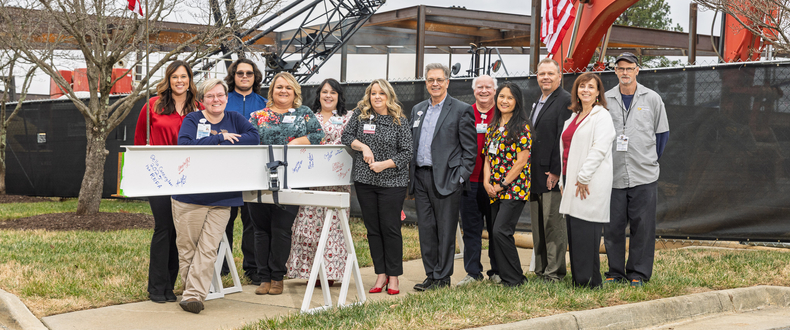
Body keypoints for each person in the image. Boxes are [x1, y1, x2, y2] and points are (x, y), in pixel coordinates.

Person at [172, 78, 260, 313]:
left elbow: (254, 138)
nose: (216, 100)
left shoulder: (235, 119)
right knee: (188, 248)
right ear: (202, 100)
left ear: (226, 98)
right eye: (210, 96)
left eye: (220, 95)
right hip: (190, 196)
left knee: (209, 249)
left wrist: (222, 142)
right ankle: (191, 290)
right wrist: (220, 138)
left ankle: (193, 296)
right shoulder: (193, 119)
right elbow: (186, 145)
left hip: (224, 196)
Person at [248, 72, 324, 295]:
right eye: (279, 87)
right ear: (271, 91)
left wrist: (297, 141)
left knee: (281, 229)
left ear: (295, 92)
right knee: (260, 230)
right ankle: (263, 277)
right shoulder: (258, 115)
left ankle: (277, 276)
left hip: (294, 180)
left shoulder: (304, 114)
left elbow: (319, 135)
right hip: (260, 180)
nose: (283, 91)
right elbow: (250, 140)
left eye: (288, 88)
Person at [133, 60, 202, 303]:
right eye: (175, 77)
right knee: (164, 227)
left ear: (190, 80)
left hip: (188, 177)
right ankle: (156, 287)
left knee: (180, 232)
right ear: (168, 80)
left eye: (184, 76)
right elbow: (140, 140)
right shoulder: (152, 106)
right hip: (160, 176)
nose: (180, 81)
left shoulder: (199, 109)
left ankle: (171, 287)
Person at [603, 52, 669, 287]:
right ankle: (615, 272)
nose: (625, 72)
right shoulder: (606, 99)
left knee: (643, 227)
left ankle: (638, 274)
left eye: (629, 68)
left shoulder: (652, 99)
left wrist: (647, 159)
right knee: (613, 227)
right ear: (615, 71)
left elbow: (662, 135)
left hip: (644, 174)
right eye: (620, 68)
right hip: (613, 174)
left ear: (637, 70)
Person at [410, 63, 477, 291]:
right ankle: (431, 275)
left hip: (448, 179)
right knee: (426, 230)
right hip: (420, 178)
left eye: (439, 79)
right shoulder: (418, 109)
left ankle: (442, 278)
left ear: (447, 82)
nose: (435, 84)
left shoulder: (461, 109)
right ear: (426, 82)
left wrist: (459, 178)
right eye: (430, 80)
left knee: (446, 230)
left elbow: (470, 150)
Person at [342, 79, 412, 295]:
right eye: (373, 93)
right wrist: (363, 147)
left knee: (390, 229)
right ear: (369, 96)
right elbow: (346, 136)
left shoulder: (399, 120)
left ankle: (394, 277)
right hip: (365, 182)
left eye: (382, 93)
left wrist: (385, 165)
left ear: (389, 96)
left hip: (393, 182)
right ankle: (380, 274)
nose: (377, 97)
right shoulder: (360, 115)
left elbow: (407, 152)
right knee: (373, 229)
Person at [287, 78, 353, 286]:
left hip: (336, 180)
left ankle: (331, 272)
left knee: (334, 226)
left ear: (339, 96)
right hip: (311, 179)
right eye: (324, 92)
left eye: (333, 92)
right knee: (308, 225)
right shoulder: (309, 117)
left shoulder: (348, 117)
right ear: (319, 95)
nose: (328, 96)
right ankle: (309, 272)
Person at [559, 72, 616, 289]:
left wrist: (583, 177)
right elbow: (565, 151)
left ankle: (589, 282)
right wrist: (563, 182)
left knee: (586, 234)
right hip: (571, 181)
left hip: (587, 183)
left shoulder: (601, 116)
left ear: (598, 92)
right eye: (582, 86)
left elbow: (599, 149)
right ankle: (583, 280)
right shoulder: (573, 117)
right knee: (575, 233)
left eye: (591, 87)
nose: (586, 90)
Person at [219, 58, 267, 281]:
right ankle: (221, 265)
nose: (244, 77)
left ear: (255, 76)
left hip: (253, 169)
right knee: (224, 219)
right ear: (233, 76)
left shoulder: (265, 104)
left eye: (249, 73)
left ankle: (252, 268)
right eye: (240, 73)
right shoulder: (223, 101)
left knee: (252, 220)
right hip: (226, 167)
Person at [481, 82, 531, 287]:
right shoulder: (492, 127)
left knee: (501, 231)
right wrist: (486, 182)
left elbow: (521, 161)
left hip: (514, 189)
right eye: (502, 96)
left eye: (510, 98)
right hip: (493, 189)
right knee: (496, 232)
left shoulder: (521, 127)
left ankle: (515, 279)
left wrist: (502, 184)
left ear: (517, 101)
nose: (505, 101)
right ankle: (508, 275)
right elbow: (487, 159)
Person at [528, 58, 572, 283]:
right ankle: (541, 269)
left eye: (550, 74)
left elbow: (562, 139)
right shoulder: (538, 101)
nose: (545, 77)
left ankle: (554, 273)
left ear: (559, 76)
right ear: (537, 76)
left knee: (552, 224)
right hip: (534, 174)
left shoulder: (565, 100)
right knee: (538, 226)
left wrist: (556, 172)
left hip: (551, 175)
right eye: (541, 73)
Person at [457, 74, 500, 286]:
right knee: (471, 229)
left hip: (493, 183)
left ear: (495, 90)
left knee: (495, 228)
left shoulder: (502, 113)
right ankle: (473, 272)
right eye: (479, 87)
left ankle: (497, 271)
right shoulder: (465, 112)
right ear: (474, 90)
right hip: (469, 181)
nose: (484, 91)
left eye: (488, 87)